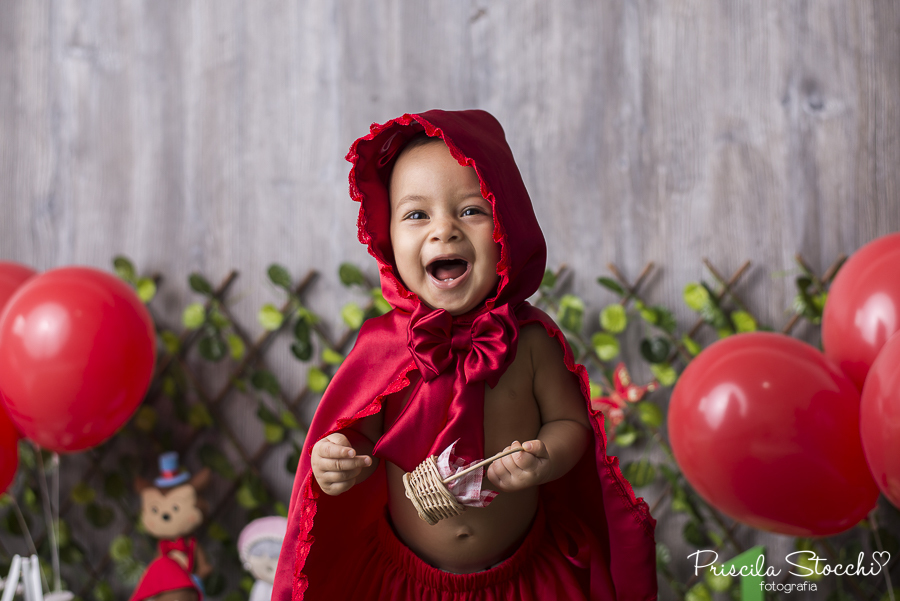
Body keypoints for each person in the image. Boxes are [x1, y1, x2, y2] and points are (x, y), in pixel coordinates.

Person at [273, 109, 657, 600]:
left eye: (471, 210)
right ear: (386, 235)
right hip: (405, 581)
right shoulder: (384, 348)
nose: (444, 231)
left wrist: (545, 457)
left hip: (522, 577)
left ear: (507, 227)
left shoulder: (531, 342)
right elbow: (356, 439)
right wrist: (334, 461)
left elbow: (572, 426)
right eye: (417, 215)